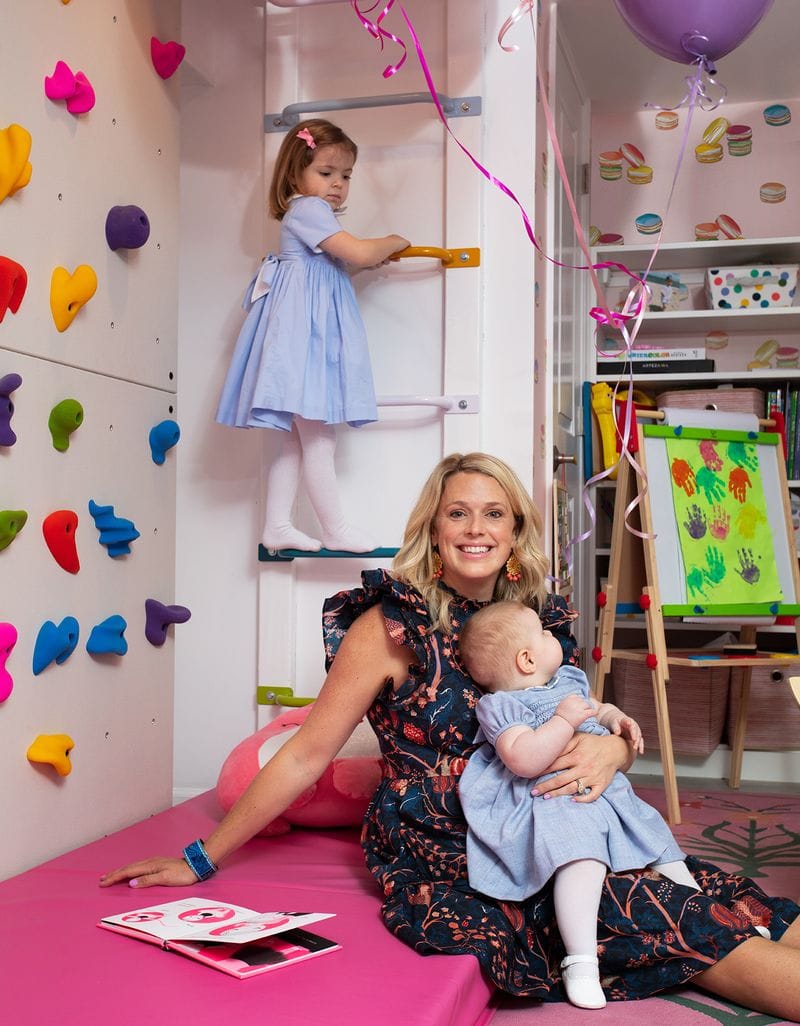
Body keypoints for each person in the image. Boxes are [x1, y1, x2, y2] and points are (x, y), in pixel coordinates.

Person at [100, 453, 800, 1021]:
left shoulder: (538, 616)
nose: (476, 528)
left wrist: (616, 747)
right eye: (457, 513)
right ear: (433, 530)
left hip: (566, 811)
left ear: (516, 527)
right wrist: (200, 859)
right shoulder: (390, 625)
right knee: (672, 916)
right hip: (455, 843)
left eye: (494, 513)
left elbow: (579, 710)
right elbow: (308, 753)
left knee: (726, 889)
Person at [459, 601, 708, 1008]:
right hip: (550, 798)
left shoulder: (568, 680)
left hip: (605, 790)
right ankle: (580, 960)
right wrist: (563, 721)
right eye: (542, 632)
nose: (551, 636)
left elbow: (599, 707)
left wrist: (616, 721)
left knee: (658, 840)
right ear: (526, 659)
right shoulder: (501, 705)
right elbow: (522, 759)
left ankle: (707, 912)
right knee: (581, 858)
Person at [215, 118, 409, 553]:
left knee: (293, 440)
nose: (338, 185)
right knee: (319, 435)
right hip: (302, 343)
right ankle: (334, 528)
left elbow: (340, 265)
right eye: (327, 173)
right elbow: (357, 250)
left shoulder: (311, 220)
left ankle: (277, 526)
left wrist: (367, 262)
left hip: (297, 340)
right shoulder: (308, 209)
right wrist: (392, 242)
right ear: (296, 171)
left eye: (346, 176)